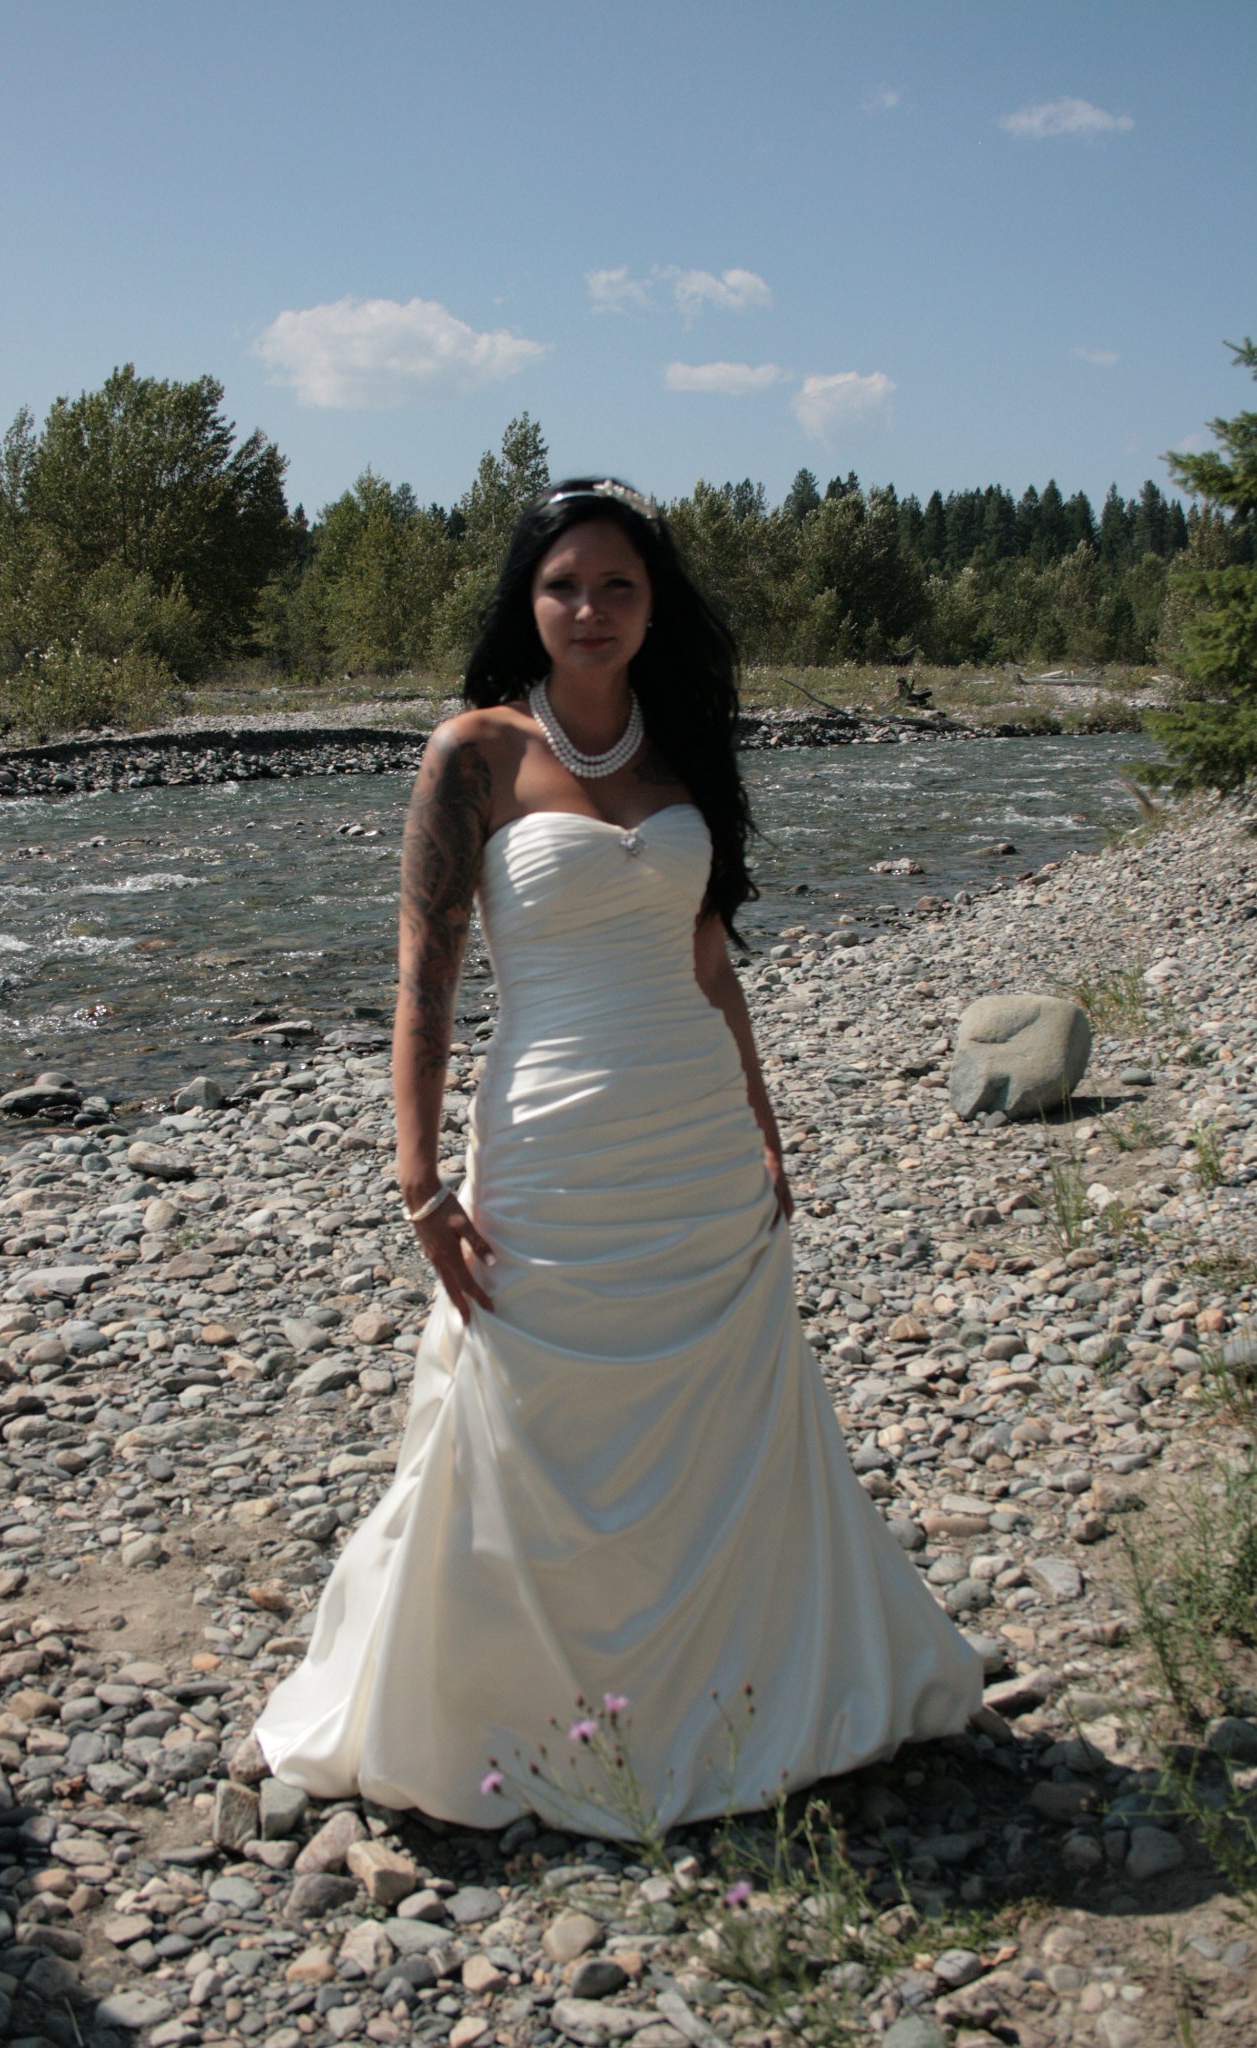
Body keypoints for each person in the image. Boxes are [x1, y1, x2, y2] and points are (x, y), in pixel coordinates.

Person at [254, 478, 983, 1832]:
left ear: (654, 606)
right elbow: (422, 980)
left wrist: (765, 1129)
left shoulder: (687, 749)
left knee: (726, 1421)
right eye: (563, 585)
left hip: (695, 1139)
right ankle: (511, 1711)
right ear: (526, 602)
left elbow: (709, 965)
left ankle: (741, 1690)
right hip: (549, 1140)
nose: (588, 609)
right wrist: (418, 1182)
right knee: (530, 1409)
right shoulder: (473, 751)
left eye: (617, 586)